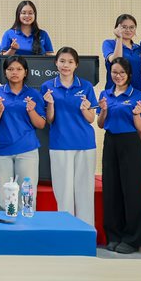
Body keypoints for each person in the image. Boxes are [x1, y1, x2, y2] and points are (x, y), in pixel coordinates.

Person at [41, 47, 97, 226]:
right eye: (62, 61)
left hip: (85, 144)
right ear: (56, 63)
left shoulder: (86, 86)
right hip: (60, 143)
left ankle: (85, 230)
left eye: (70, 62)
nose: (66, 65)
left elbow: (91, 119)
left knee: (84, 190)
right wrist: (50, 104)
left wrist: (85, 109)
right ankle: (67, 229)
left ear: (76, 65)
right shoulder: (47, 86)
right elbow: (49, 119)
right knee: (63, 191)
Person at [97, 57, 141, 254]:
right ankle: (113, 235)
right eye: (114, 72)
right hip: (111, 142)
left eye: (122, 73)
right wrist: (103, 110)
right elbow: (101, 124)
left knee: (132, 191)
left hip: (131, 142)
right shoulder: (105, 93)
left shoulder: (138, 95)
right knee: (111, 190)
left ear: (129, 75)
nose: (117, 76)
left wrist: (136, 115)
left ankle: (132, 239)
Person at [0, 56, 45, 211]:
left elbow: (41, 124)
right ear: (5, 72)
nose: (15, 72)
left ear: (25, 72)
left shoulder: (33, 94)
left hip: (27, 149)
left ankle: (26, 225)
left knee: (27, 197)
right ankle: (4, 224)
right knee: (3, 197)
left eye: (19, 69)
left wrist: (32, 111)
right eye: (10, 69)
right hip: (1, 150)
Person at [102, 14, 141, 91]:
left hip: (136, 91)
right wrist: (119, 38)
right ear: (116, 28)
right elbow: (116, 61)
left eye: (131, 27)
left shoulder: (138, 48)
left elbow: (136, 71)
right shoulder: (109, 43)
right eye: (124, 27)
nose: (128, 30)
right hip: (115, 92)